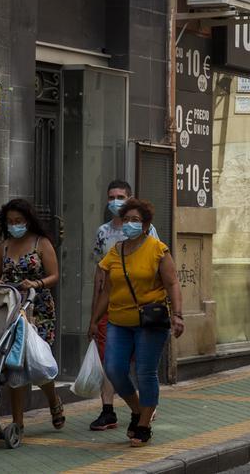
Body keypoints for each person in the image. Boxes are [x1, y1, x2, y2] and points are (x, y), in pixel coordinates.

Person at [88, 198, 184, 447]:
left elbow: (173, 283)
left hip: (150, 321)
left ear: (145, 225)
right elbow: (106, 290)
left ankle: (143, 425)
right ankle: (138, 409)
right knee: (114, 369)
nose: (130, 224)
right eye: (127, 219)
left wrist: (177, 315)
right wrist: (94, 320)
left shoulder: (158, 249)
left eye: (136, 220)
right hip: (118, 321)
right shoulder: (115, 251)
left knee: (145, 372)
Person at [0, 199, 66, 431]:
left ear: (28, 221)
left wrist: (36, 283)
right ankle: (17, 422)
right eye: (10, 222)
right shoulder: (2, 247)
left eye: (19, 221)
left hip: (38, 309)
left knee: (37, 360)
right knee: (15, 364)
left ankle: (53, 400)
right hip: (12, 311)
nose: (15, 225)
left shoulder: (41, 244)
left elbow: (54, 275)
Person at [89, 180, 159, 431]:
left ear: (130, 198)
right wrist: (94, 313)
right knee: (111, 361)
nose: (115, 201)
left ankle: (145, 407)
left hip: (141, 309)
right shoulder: (103, 232)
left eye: (120, 196)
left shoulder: (146, 232)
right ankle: (108, 409)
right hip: (111, 306)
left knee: (141, 362)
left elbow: (160, 268)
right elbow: (99, 274)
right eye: (111, 196)